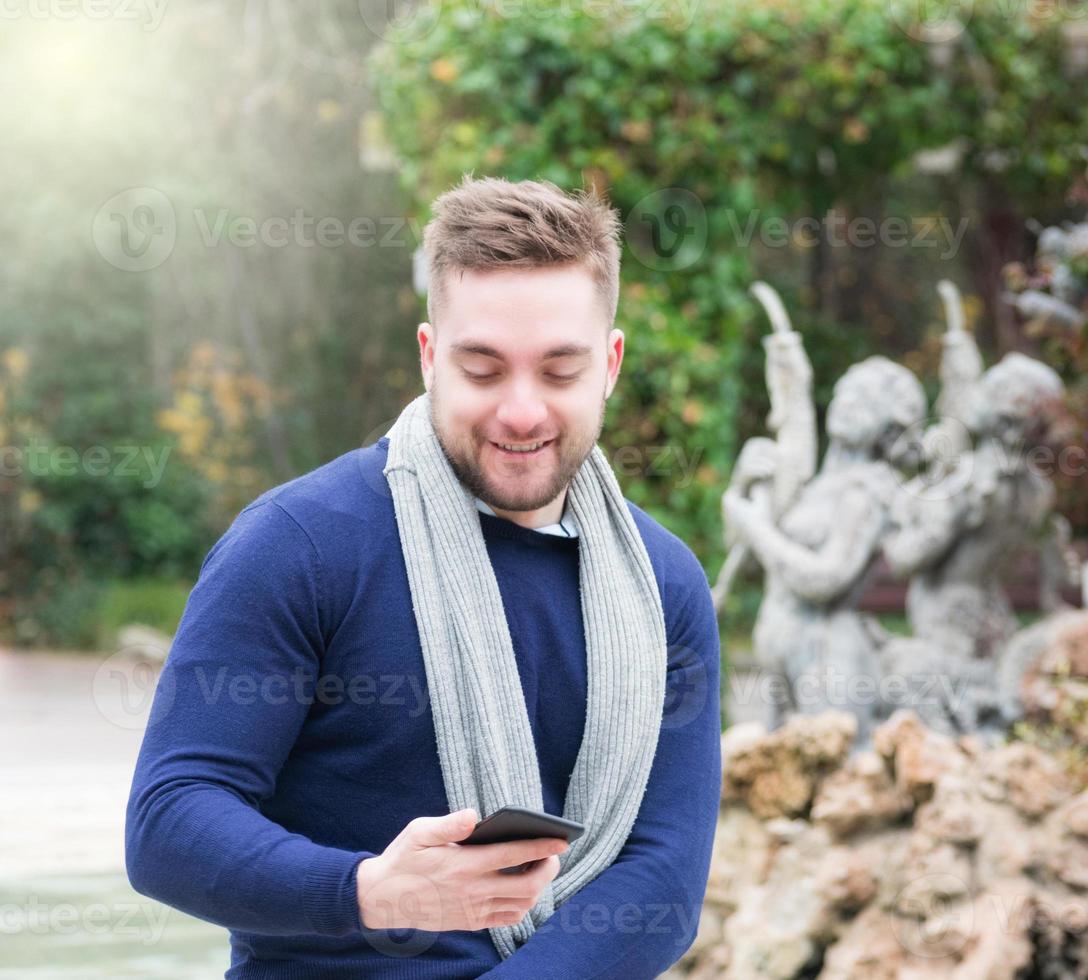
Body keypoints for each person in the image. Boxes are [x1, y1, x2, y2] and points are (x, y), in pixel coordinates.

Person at [125, 176, 723, 978]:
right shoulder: (298, 546)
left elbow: (663, 883)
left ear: (609, 366)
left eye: (558, 371)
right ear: (428, 356)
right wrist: (370, 890)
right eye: (482, 369)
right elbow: (169, 824)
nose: (521, 410)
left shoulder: (664, 587)